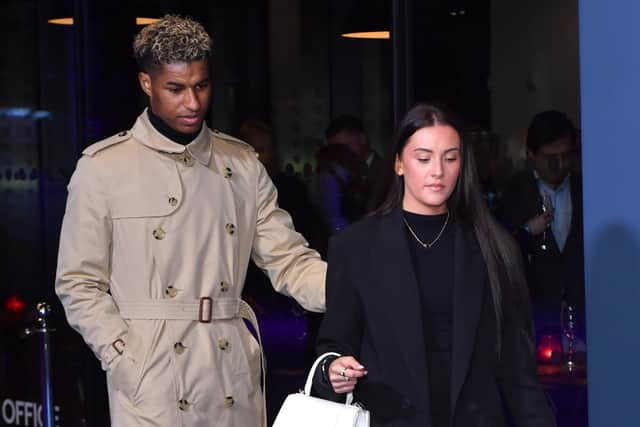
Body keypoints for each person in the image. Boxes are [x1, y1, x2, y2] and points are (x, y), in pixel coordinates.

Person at [55, 15, 326, 427]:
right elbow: (77, 281)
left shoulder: (241, 164)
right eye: (176, 89)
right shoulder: (103, 169)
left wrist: (357, 291)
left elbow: (289, 260)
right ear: (147, 84)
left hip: (228, 369)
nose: (193, 102)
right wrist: (122, 354)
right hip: (152, 377)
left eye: (201, 86)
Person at [313, 103, 555, 426]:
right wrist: (334, 370)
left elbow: (518, 370)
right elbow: (334, 345)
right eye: (423, 158)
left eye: (450, 158)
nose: (437, 171)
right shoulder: (355, 248)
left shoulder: (492, 247)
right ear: (399, 163)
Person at [498, 110, 584, 332]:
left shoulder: (584, 188)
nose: (561, 164)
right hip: (535, 316)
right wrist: (527, 230)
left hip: (585, 312)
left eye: (567, 155)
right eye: (551, 159)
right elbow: (499, 253)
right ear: (531, 154)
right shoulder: (514, 192)